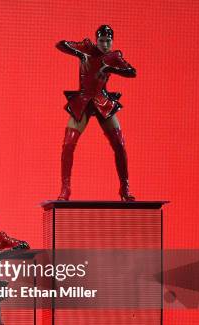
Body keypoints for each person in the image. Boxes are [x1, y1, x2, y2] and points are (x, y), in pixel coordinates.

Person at [56, 25, 137, 201]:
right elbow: (61, 44)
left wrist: (110, 69)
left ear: (112, 41)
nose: (105, 44)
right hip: (83, 100)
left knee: (119, 144)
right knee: (68, 143)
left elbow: (132, 72)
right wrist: (79, 54)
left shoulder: (114, 56)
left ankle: (125, 188)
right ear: (96, 39)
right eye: (101, 40)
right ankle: (65, 188)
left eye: (108, 41)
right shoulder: (86, 47)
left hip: (102, 101)